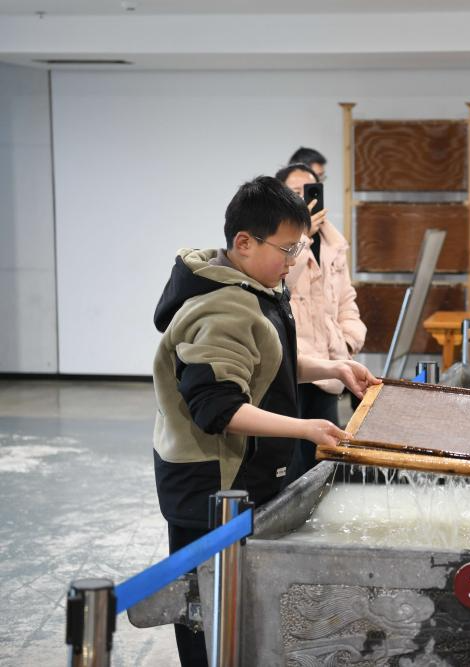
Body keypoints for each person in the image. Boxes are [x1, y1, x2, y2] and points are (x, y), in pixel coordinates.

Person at [151, 175, 380, 666]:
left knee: (240, 610)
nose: (294, 260)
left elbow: (268, 362)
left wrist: (332, 367)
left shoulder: (253, 288)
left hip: (240, 480)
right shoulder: (220, 306)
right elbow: (218, 408)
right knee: (208, 615)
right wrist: (305, 428)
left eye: (300, 247)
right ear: (244, 242)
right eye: (288, 248)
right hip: (211, 489)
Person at [276, 162, 366, 484]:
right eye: (295, 193)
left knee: (323, 462)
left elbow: (346, 299)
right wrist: (302, 238)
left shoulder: (333, 243)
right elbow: (279, 286)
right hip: (292, 365)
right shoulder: (277, 244)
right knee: (289, 464)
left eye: (310, 192)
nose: (304, 200)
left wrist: (349, 340)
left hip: (328, 365)